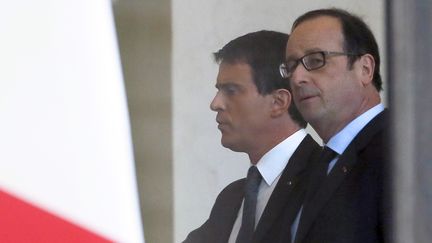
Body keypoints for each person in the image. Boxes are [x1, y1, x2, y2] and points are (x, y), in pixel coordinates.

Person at [183, 30, 320, 243]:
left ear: (278, 102)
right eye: (219, 90)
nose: (215, 103)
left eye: (231, 90)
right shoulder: (232, 198)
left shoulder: (327, 183)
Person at [279, 8, 389, 243]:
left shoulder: (404, 154)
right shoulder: (308, 168)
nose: (297, 78)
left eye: (316, 60)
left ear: (365, 69)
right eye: (291, 66)